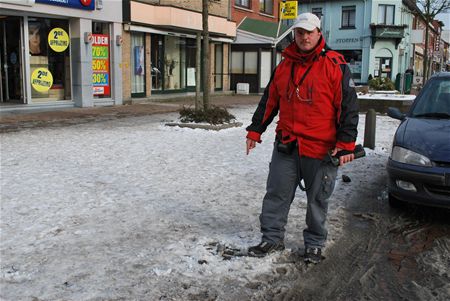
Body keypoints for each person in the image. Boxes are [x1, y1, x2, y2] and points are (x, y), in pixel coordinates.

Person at [245, 13, 359, 264]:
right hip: (287, 144)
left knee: (317, 199)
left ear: (319, 33)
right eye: (299, 32)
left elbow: (348, 106)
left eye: (309, 32)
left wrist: (346, 143)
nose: (304, 37)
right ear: (294, 35)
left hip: (321, 149)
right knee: (276, 193)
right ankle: (272, 238)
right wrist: (255, 130)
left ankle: (315, 243)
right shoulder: (284, 66)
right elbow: (269, 101)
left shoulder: (335, 64)